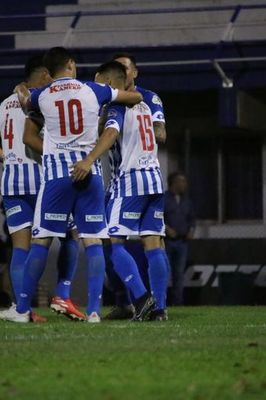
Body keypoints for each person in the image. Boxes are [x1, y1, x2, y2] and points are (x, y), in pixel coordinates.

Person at [2, 46, 142, 323]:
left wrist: (22, 91)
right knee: (92, 241)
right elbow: (134, 96)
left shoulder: (41, 95)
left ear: (46, 72)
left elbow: (24, 102)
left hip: (56, 177)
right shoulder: (93, 90)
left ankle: (21, 310)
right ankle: (93, 311)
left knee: (40, 241)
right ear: (70, 63)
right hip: (88, 174)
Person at [0, 55, 85, 322]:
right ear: (44, 76)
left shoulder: (4, 104)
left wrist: (10, 159)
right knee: (71, 235)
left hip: (12, 183)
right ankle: (63, 293)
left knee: (20, 249)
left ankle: (22, 309)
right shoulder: (45, 99)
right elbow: (33, 138)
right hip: (42, 179)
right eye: (50, 75)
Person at [93, 61, 169, 320]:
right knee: (153, 245)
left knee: (114, 243)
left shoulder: (118, 105)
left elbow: (110, 133)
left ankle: (140, 298)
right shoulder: (146, 103)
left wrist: (88, 158)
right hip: (154, 179)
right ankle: (160, 309)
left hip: (129, 180)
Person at [164, 172, 195, 306]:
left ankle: (178, 303)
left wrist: (191, 231)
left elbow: (192, 219)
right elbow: (157, 217)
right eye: (181, 181)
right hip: (167, 242)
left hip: (182, 242)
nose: (184, 184)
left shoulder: (186, 201)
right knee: (164, 273)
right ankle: (161, 302)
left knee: (179, 274)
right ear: (174, 182)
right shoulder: (164, 198)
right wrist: (166, 229)